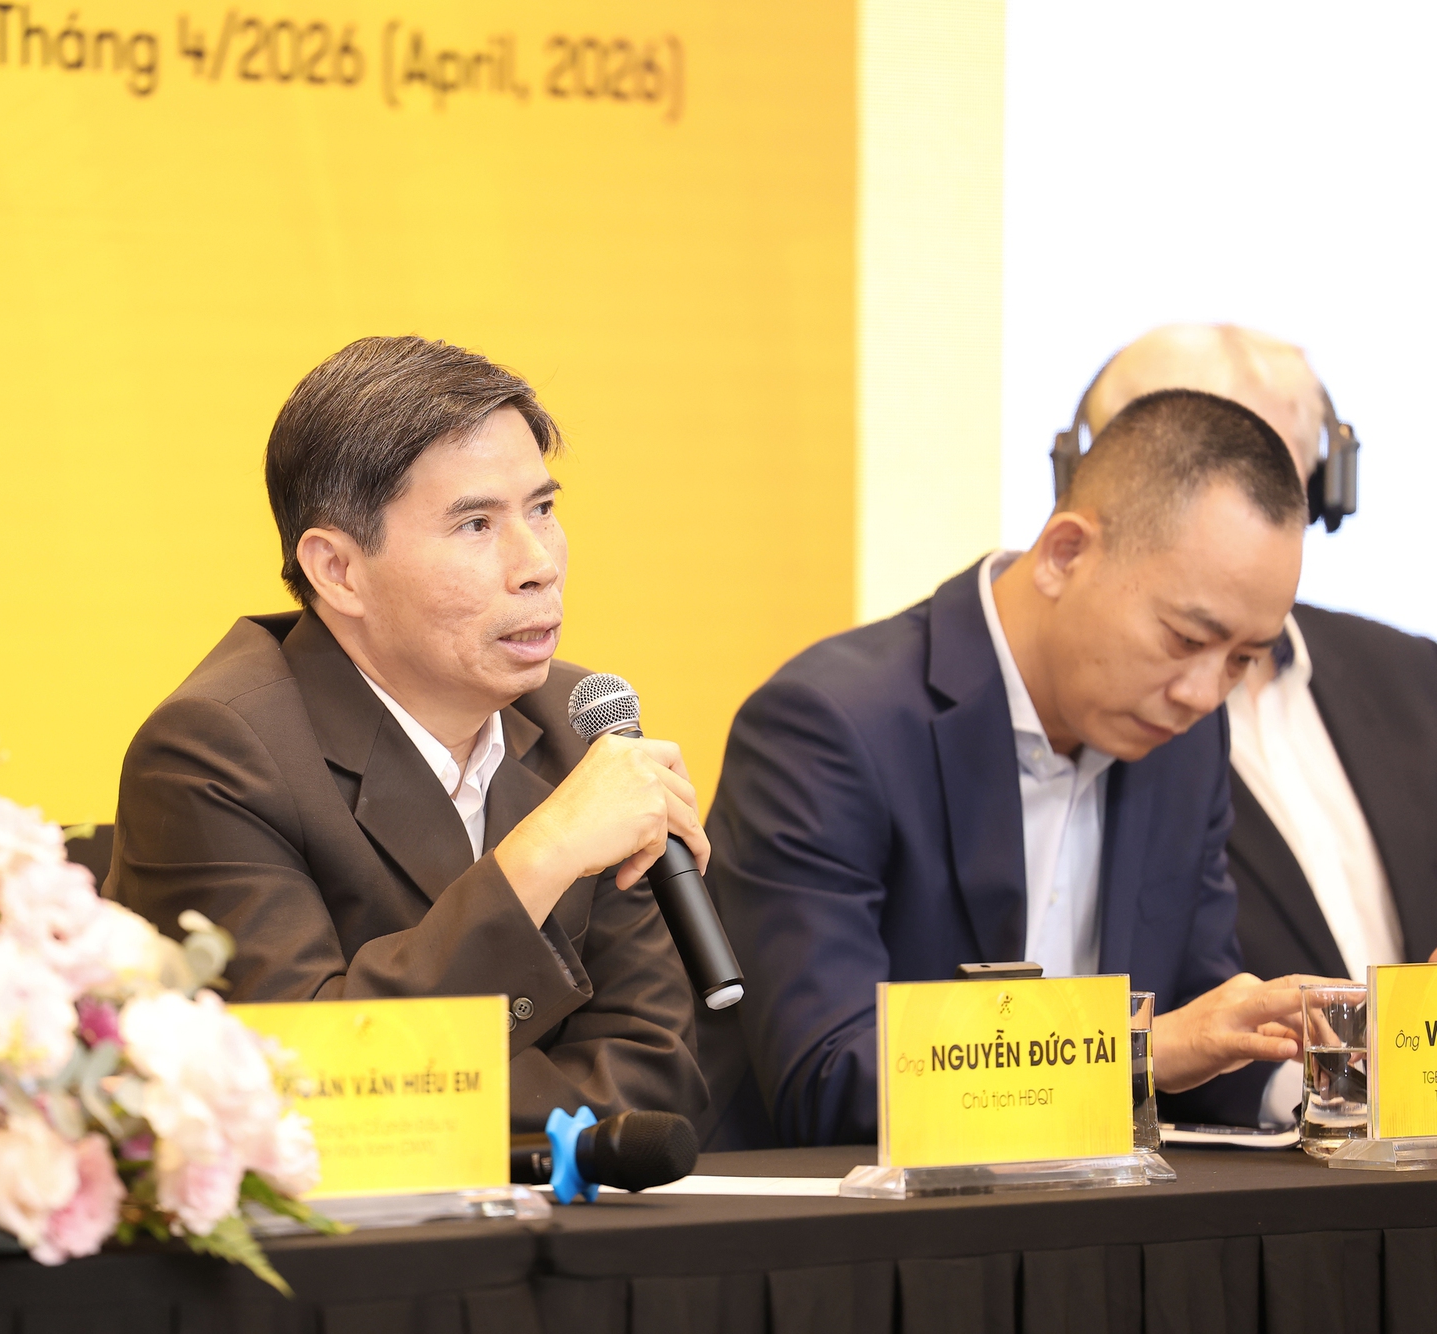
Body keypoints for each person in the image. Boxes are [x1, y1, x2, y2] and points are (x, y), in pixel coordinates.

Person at [108, 336, 708, 1130]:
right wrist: (542, 855)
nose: (538, 564)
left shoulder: (575, 721)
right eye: (475, 524)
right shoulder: (214, 752)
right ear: (338, 571)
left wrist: (438, 1100)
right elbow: (304, 1083)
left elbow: (655, 1076)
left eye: (542, 509)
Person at [704, 390, 1315, 1146]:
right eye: (1186, 639)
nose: (1201, 693)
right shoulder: (831, 725)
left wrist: (1333, 1066)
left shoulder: (1185, 742)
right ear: (1065, 555)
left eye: (1243, 660)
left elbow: (1197, 1024)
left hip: (1101, 1208)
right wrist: (1137, 1052)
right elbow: (829, 1077)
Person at [1071, 326, 1437, 985]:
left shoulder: (1413, 675)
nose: (1236, 505)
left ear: (1321, 489)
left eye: (1267, 475)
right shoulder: (1077, 720)